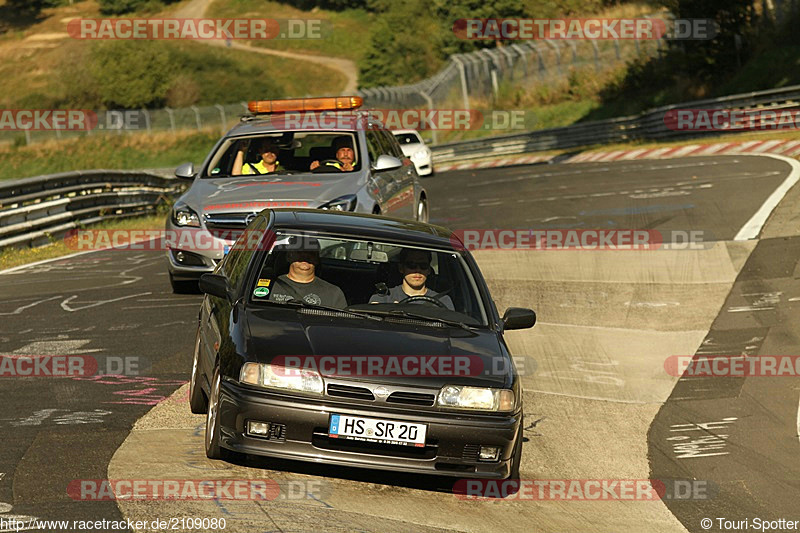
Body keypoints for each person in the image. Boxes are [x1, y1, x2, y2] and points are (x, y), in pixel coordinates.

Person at [269, 237, 347, 308]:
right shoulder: (269, 287)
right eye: (299, 252)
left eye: (310, 253)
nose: (305, 256)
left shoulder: (333, 293)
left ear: (317, 258)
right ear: (289, 256)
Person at [369, 249, 454, 310]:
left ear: (429, 270)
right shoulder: (384, 298)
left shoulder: (443, 301)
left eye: (423, 265)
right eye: (411, 265)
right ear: (401, 268)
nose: (417, 270)